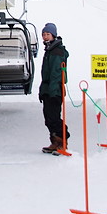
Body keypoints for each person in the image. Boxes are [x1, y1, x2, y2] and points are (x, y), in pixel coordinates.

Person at [38, 22, 70, 153]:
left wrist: (51, 90)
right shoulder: (49, 50)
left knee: (53, 117)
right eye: (44, 34)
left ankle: (62, 140)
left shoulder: (56, 51)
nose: (45, 37)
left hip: (54, 89)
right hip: (48, 88)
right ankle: (55, 141)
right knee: (48, 117)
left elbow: (56, 73)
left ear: (53, 35)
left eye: (48, 34)